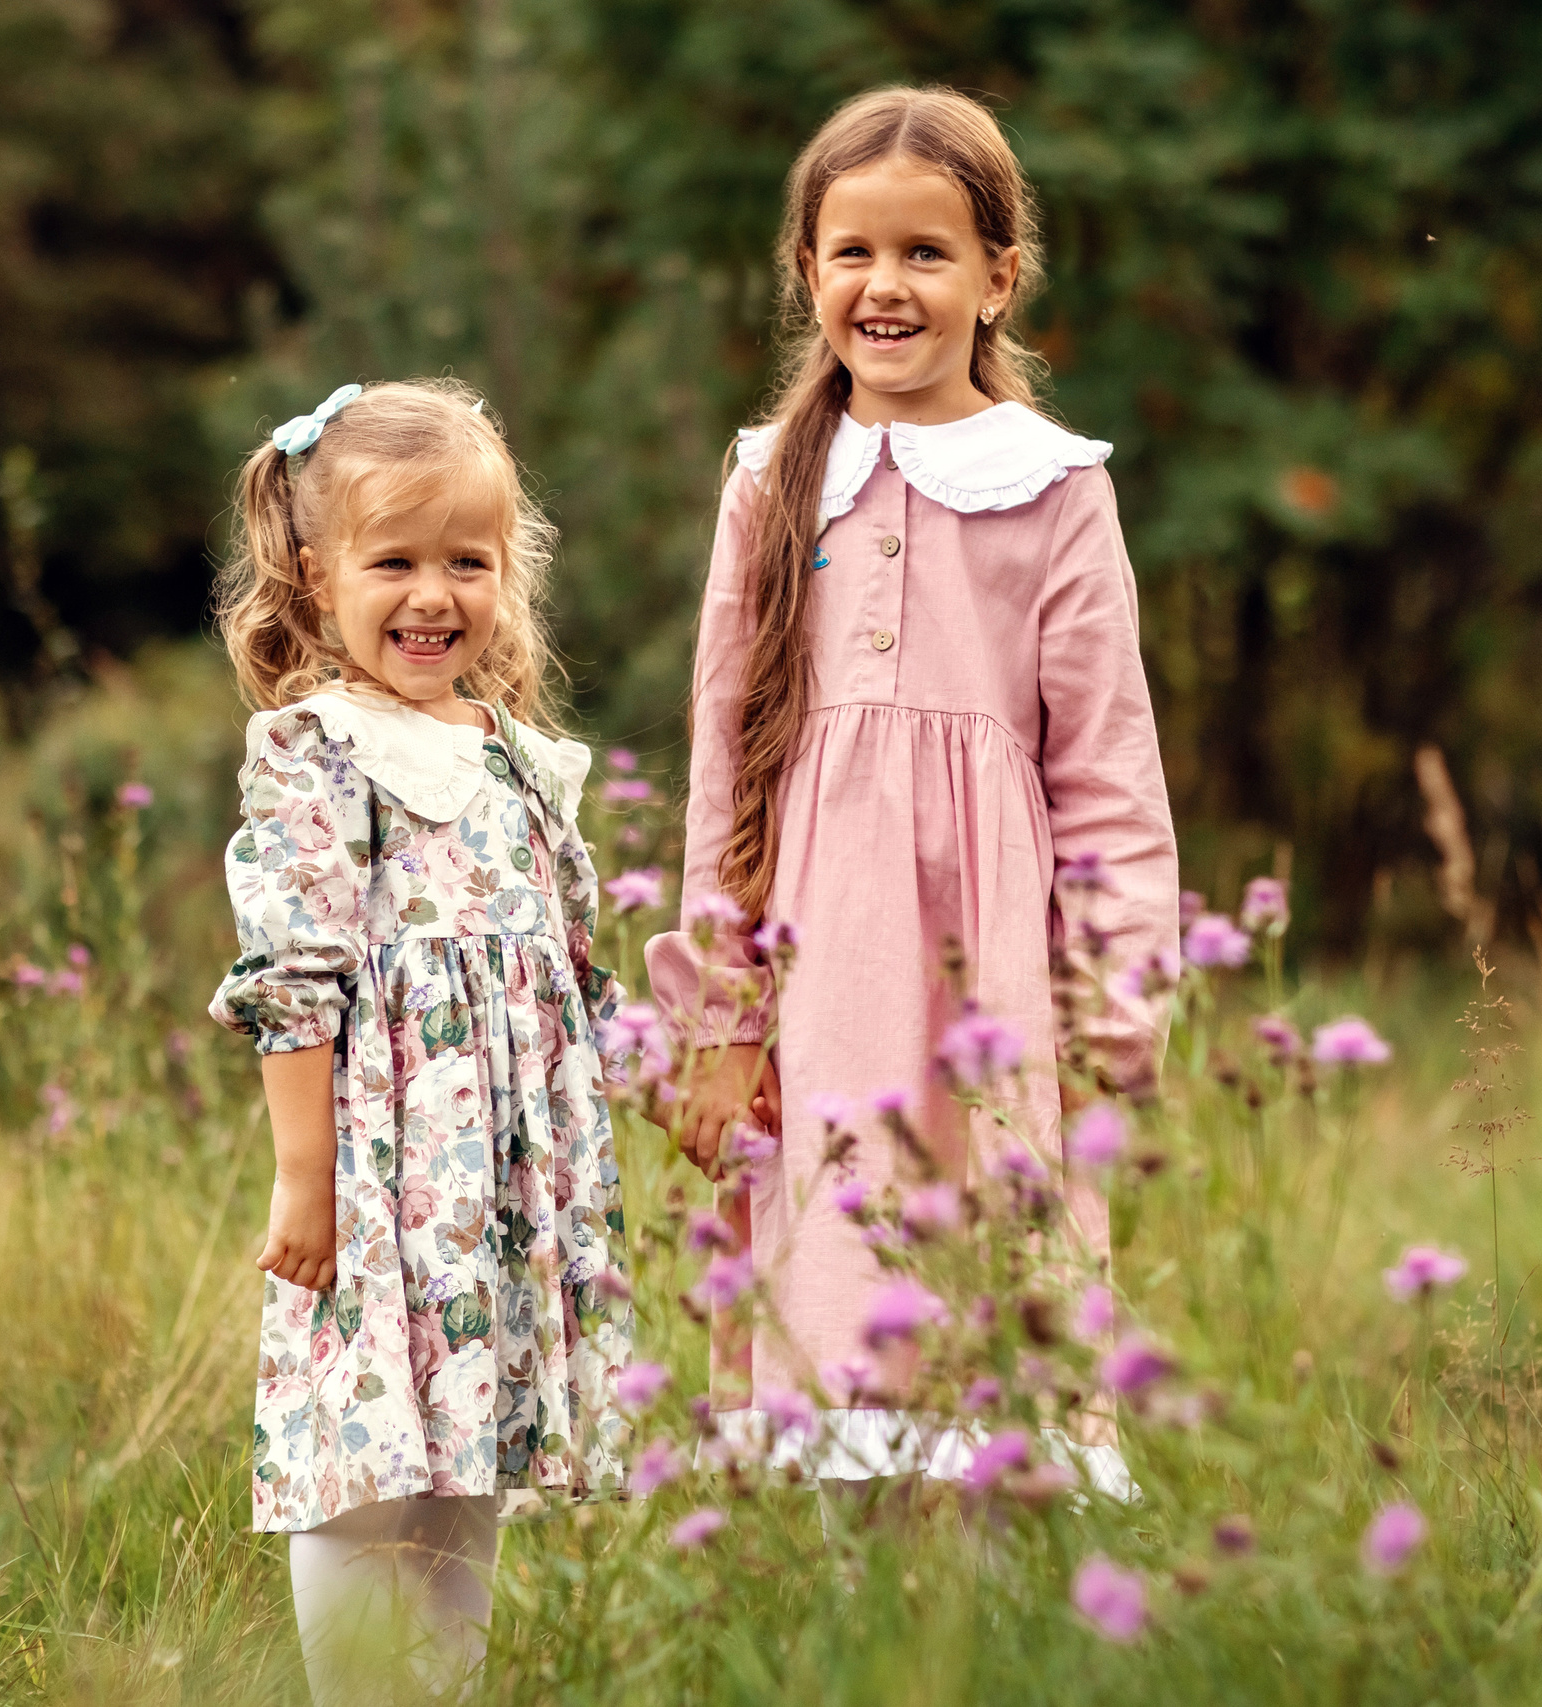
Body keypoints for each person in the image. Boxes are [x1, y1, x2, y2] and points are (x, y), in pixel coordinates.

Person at [645, 87, 1177, 1507]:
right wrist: (718, 1016)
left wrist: (1113, 1008)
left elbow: (1111, 778)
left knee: (987, 1324)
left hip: (986, 990)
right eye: (852, 253)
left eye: (927, 254)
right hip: (816, 979)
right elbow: (725, 762)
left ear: (1000, 277)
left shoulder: (1054, 490)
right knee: (822, 1323)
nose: (887, 286)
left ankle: (979, 1628)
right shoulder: (769, 483)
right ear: (807, 273)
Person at [209, 378, 631, 1703]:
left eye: (470, 561)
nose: (434, 595)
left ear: (513, 573)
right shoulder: (318, 753)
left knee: (467, 1465)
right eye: (395, 562)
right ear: (315, 577)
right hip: (381, 1193)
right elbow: (296, 978)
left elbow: (575, 979)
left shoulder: (521, 764)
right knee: (365, 1448)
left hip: (499, 1203)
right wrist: (303, 1176)